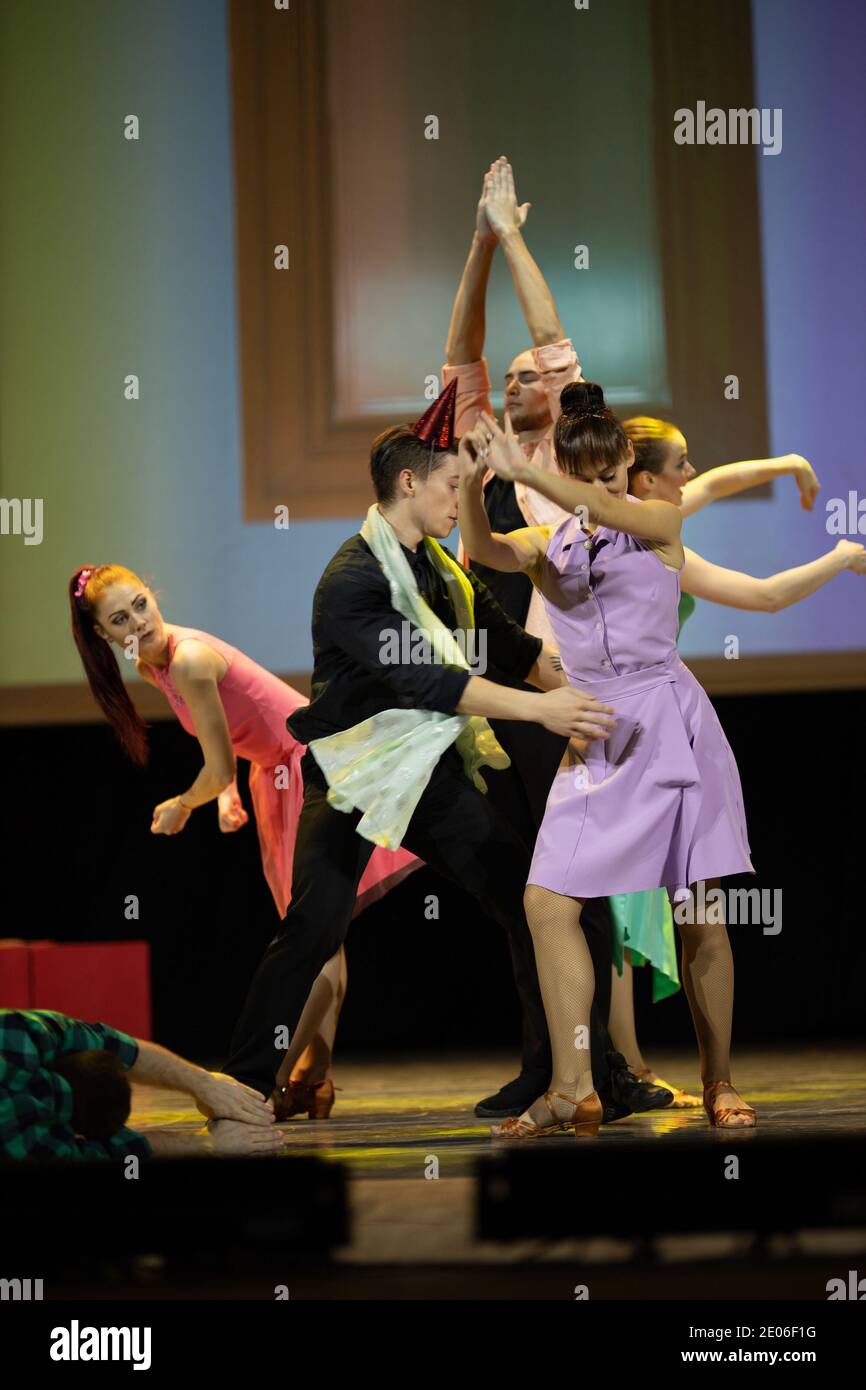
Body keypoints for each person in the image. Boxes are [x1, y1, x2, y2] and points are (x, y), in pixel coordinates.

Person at [223, 384, 618, 1113]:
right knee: (314, 924)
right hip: (354, 771)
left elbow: (515, 647)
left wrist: (610, 693)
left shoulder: (444, 570)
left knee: (535, 900)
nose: (459, 499)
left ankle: (571, 1074)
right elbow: (435, 681)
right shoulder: (353, 580)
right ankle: (246, 1082)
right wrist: (545, 709)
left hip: (433, 766)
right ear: (409, 483)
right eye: (450, 485)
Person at [460, 384, 762, 1135]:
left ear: (630, 463)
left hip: (670, 730)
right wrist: (474, 482)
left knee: (700, 916)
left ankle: (718, 1078)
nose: (596, 489)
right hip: (595, 735)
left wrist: (530, 476)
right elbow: (484, 550)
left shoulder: (658, 522)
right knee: (546, 903)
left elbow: (612, 511)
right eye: (581, 475)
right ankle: (573, 1085)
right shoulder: (550, 545)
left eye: (607, 474)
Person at [444, 157, 672, 1121]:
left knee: (584, 889)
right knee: (533, 891)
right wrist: (476, 244)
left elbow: (548, 334)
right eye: (511, 380)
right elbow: (463, 350)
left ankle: (604, 1070)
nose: (517, 377)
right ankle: (552, 1066)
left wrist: (514, 231)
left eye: (531, 378)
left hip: (582, 687)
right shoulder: (488, 446)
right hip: (517, 687)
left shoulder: (574, 448)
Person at [69, 565, 419, 1119]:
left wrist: (185, 804)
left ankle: (263, 1083)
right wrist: (228, 792)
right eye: (120, 619)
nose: (139, 622)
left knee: (314, 935)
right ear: (103, 635)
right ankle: (312, 1079)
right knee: (322, 931)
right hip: (278, 773)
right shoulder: (150, 662)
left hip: (310, 768)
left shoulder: (186, 658)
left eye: (140, 604)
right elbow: (227, 735)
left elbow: (214, 763)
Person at [0, 1007, 284, 1160]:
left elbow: (122, 1048)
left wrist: (206, 1084)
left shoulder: (18, 1034)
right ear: (78, 1135)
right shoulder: (35, 1148)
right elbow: (120, 1150)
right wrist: (210, 1144)